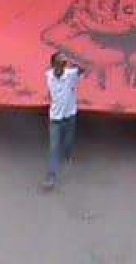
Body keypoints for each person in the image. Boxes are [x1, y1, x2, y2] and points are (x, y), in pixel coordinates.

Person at [43, 52, 86, 190]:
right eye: (59, 63)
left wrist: (72, 60)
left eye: (63, 64)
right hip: (55, 118)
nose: (61, 67)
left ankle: (67, 155)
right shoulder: (49, 76)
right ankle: (51, 176)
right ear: (53, 65)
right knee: (54, 148)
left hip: (69, 116)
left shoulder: (71, 75)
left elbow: (83, 69)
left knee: (68, 141)